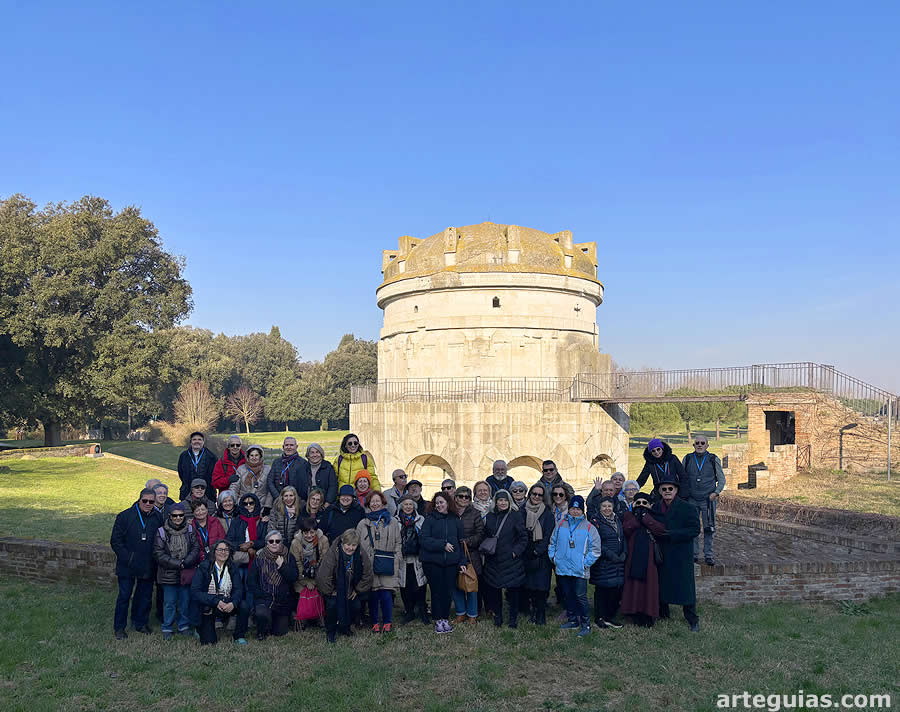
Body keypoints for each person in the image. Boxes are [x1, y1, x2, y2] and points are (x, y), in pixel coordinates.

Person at [110, 488, 163, 639]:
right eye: (145, 501)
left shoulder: (158, 517)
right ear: (139, 500)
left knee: (145, 596)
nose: (147, 504)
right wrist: (129, 558)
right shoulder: (125, 516)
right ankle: (119, 627)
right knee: (125, 596)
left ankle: (140, 623)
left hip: (148, 564)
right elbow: (116, 541)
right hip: (128, 565)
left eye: (151, 502)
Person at [652, 475, 701, 631]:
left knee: (685, 586)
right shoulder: (655, 508)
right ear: (660, 491)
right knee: (662, 583)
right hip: (663, 552)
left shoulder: (688, 508)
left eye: (670, 489)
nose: (667, 491)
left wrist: (672, 534)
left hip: (681, 553)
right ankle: (663, 612)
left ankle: (692, 618)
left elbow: (694, 530)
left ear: (676, 491)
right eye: (664, 489)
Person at [548, 495, 601, 637]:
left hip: (579, 569)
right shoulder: (560, 525)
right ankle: (572, 620)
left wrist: (585, 563)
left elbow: (595, 549)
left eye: (578, 509)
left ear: (582, 511)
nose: (575, 512)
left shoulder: (589, 527)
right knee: (568, 595)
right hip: (563, 567)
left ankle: (585, 623)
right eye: (572, 509)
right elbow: (552, 542)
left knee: (581, 596)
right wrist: (554, 557)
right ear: (569, 509)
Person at [419, 491, 466, 634]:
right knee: (437, 591)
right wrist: (442, 544)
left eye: (442, 502)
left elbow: (461, 542)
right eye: (437, 503)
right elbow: (424, 539)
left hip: (451, 563)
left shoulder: (455, 520)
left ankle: (445, 618)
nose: (439, 505)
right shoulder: (430, 519)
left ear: (448, 503)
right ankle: (438, 620)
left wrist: (462, 561)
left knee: (448, 592)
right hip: (433, 562)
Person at [153, 503, 201, 639]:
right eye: (175, 515)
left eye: (181, 515)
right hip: (168, 573)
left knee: (184, 602)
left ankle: (183, 625)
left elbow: (196, 548)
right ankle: (167, 627)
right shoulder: (161, 532)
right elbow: (158, 553)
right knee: (169, 603)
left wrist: (185, 562)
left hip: (185, 571)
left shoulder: (190, 530)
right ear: (170, 516)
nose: (178, 518)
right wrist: (177, 563)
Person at [316, 529, 374, 642]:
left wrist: (357, 590)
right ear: (342, 542)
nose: (350, 548)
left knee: (356, 606)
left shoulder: (361, 553)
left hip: (351, 588)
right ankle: (331, 632)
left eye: (353, 545)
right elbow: (323, 576)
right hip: (334, 588)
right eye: (347, 545)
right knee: (332, 606)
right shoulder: (333, 553)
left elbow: (368, 574)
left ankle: (345, 627)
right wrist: (330, 592)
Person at [356, 490, 402, 633]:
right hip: (369, 563)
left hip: (388, 562)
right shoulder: (363, 523)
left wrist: (397, 558)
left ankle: (387, 622)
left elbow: (398, 542)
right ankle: (375, 622)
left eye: (378, 501)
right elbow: (357, 543)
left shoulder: (392, 521)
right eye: (372, 501)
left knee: (386, 593)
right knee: (374, 594)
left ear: (383, 503)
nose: (375, 504)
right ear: (368, 504)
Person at [190, 539, 250, 645]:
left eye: (226, 550)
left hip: (228, 602)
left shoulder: (233, 567)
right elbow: (195, 591)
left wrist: (233, 603)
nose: (223, 552)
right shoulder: (204, 567)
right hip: (210, 604)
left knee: (244, 605)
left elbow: (238, 589)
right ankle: (199, 628)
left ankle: (239, 636)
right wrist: (215, 601)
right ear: (214, 552)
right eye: (220, 549)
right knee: (209, 642)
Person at [482, 490, 527, 628]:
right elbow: (485, 534)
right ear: (496, 501)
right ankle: (498, 617)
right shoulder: (490, 516)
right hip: (493, 559)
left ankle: (513, 619)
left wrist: (515, 552)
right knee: (495, 591)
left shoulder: (515, 516)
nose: (502, 503)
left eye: (505, 500)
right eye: (500, 500)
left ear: (509, 502)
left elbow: (523, 537)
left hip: (511, 560)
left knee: (513, 592)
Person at [620, 492, 665, 627]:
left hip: (649, 558)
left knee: (649, 586)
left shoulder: (654, 516)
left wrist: (646, 518)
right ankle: (633, 612)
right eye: (638, 503)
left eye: (644, 503)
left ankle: (648, 613)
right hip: (633, 557)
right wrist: (636, 519)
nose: (641, 506)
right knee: (633, 585)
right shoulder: (628, 516)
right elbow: (625, 530)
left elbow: (660, 530)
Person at [681, 435, 726, 565]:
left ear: (707, 445)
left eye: (702, 443)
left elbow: (722, 480)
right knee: (692, 527)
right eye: (697, 443)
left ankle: (709, 555)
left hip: (708, 500)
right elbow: (682, 478)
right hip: (692, 500)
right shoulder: (688, 458)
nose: (699, 445)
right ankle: (693, 554)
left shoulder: (713, 459)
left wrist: (716, 492)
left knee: (709, 528)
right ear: (693, 445)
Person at [247, 529, 299, 639]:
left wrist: (282, 566)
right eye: (271, 541)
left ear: (281, 542)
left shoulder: (289, 557)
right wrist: (261, 595)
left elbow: (294, 577)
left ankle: (277, 620)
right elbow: (251, 581)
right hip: (264, 599)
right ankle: (261, 630)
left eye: (277, 541)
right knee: (262, 615)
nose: (274, 543)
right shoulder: (259, 558)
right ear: (266, 543)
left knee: (280, 632)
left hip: (283, 601)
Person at [589, 496, 626, 629]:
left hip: (617, 561)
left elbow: (622, 537)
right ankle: (600, 617)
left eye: (609, 506)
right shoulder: (595, 521)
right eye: (604, 506)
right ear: (600, 508)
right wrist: (611, 555)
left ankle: (610, 617)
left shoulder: (617, 520)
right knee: (602, 590)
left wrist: (624, 553)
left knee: (614, 591)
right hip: (603, 561)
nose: (607, 508)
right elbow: (595, 541)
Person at [521, 483, 554, 625]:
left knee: (541, 587)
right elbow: (520, 531)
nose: (536, 497)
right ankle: (532, 611)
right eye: (534, 494)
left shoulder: (547, 513)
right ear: (530, 494)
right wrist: (527, 550)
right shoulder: (522, 511)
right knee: (529, 586)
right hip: (526, 553)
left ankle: (541, 614)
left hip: (541, 555)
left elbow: (548, 535)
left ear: (543, 497)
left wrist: (537, 550)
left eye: (540, 495)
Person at [452, 486, 484, 624]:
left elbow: (481, 533)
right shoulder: (450, 512)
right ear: (456, 497)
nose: (464, 499)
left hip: (471, 553)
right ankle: (460, 613)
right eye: (461, 496)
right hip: (453, 553)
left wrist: (468, 541)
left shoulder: (475, 513)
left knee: (471, 583)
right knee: (456, 584)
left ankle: (472, 614)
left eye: (467, 497)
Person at [290, 517, 329, 629]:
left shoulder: (323, 540)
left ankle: (320, 616)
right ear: (302, 532)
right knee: (301, 592)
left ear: (316, 531)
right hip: (301, 577)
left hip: (319, 575)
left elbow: (324, 561)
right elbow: (297, 564)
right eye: (306, 533)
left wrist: (316, 581)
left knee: (322, 590)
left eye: (312, 532)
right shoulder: (295, 543)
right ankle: (302, 619)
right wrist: (306, 582)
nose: (309, 535)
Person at [396, 495, 428, 624]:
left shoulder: (421, 520)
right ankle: (409, 611)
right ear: (401, 507)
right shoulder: (396, 521)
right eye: (405, 504)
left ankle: (422, 610)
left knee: (420, 585)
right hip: (403, 559)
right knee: (405, 586)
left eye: (410, 504)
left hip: (417, 558)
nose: (408, 507)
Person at [268, 436, 312, 504]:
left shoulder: (303, 463)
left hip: (296, 502)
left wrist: (294, 500)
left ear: (296, 447)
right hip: (278, 500)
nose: (289, 447)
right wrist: (278, 497)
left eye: (291, 445)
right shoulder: (276, 462)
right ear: (283, 447)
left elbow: (305, 486)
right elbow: (270, 481)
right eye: (286, 445)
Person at [232, 444, 272, 513]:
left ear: (260, 456)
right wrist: (235, 502)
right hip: (244, 505)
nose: (254, 458)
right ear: (248, 456)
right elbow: (235, 487)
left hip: (261, 506)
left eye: (256, 455)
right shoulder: (241, 469)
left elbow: (270, 489)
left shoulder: (267, 469)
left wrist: (267, 506)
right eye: (251, 455)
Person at [177, 432, 217, 500]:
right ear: (191, 442)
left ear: (203, 442)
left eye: (199, 439)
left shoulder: (211, 456)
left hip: (207, 493)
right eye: (194, 439)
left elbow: (214, 474)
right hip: (187, 492)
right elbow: (181, 473)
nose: (197, 441)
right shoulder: (184, 456)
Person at [269, 486, 302, 550]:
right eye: (286, 496)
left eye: (291, 495)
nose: (288, 498)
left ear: (295, 497)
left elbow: (299, 530)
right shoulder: (276, 509)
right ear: (282, 497)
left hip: (294, 544)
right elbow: (271, 527)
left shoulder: (299, 509)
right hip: (278, 543)